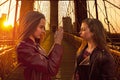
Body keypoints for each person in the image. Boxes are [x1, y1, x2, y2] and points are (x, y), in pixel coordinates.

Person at [16, 11, 63, 80]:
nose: (43, 31)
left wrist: (55, 42)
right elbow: (51, 69)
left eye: (44, 28)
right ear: (31, 25)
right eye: (41, 27)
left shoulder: (35, 45)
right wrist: (58, 42)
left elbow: (47, 63)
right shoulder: (24, 48)